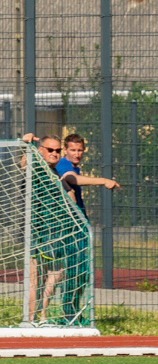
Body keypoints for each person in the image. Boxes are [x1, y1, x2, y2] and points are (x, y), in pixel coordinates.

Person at [55, 134, 120, 324]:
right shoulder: (64, 166)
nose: (77, 154)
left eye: (80, 150)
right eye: (73, 150)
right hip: (69, 226)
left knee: (82, 271)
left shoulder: (75, 165)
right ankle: (67, 314)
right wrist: (103, 181)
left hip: (80, 223)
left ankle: (74, 312)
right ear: (65, 150)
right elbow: (71, 179)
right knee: (71, 271)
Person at [21, 133, 66, 324]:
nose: (54, 154)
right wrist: (27, 144)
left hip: (56, 232)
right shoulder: (38, 167)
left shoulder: (56, 173)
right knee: (36, 277)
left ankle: (42, 315)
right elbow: (24, 164)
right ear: (41, 151)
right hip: (39, 232)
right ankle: (31, 318)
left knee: (56, 273)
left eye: (58, 150)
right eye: (50, 150)